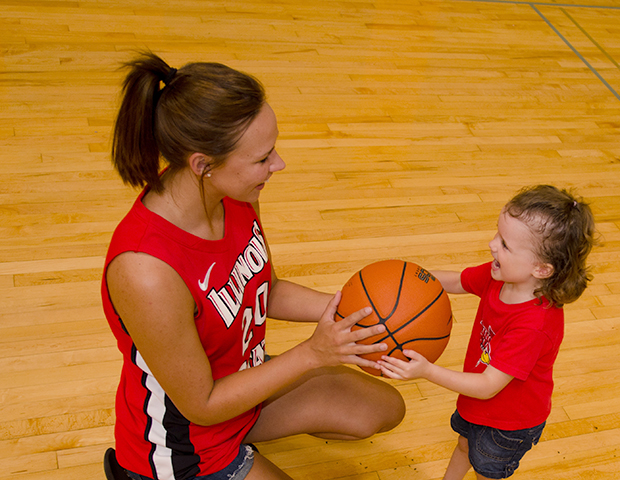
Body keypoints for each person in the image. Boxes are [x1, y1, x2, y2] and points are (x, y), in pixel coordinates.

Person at [101, 52, 405, 480]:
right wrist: (313, 354)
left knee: (381, 408)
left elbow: (268, 288)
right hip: (187, 441)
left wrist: (350, 319)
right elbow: (202, 405)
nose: (278, 164)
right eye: (263, 158)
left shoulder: (235, 195)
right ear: (204, 165)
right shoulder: (145, 269)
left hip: (242, 387)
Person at [378, 185, 597, 480]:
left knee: (487, 472)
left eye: (505, 245)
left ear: (542, 269)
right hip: (477, 403)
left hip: (508, 423)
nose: (492, 245)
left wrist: (427, 371)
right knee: (464, 445)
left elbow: (487, 385)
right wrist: (408, 276)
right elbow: (455, 281)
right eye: (498, 234)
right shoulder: (500, 276)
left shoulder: (533, 324)